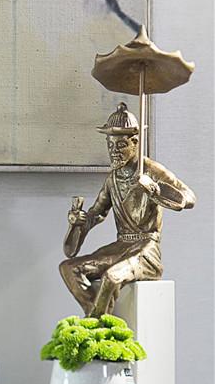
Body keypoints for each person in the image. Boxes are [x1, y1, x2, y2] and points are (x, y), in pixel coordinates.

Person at [59, 103, 196, 316]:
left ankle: (99, 320)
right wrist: (78, 222)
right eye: (110, 145)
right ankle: (94, 316)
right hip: (121, 245)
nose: (114, 151)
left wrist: (155, 189)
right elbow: (97, 213)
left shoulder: (151, 170)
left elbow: (189, 197)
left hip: (146, 249)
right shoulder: (113, 179)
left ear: (135, 143)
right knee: (68, 268)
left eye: (121, 145)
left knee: (112, 277)